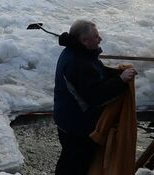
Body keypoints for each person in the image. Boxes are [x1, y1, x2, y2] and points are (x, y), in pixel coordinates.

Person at [53, 20, 137, 175]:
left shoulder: (78, 52)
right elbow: (95, 96)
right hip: (77, 125)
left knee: (68, 160)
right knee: (76, 165)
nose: (100, 39)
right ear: (84, 40)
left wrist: (116, 75)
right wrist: (120, 81)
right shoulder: (78, 62)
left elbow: (94, 76)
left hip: (67, 119)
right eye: (96, 36)